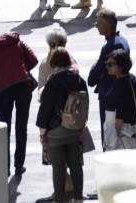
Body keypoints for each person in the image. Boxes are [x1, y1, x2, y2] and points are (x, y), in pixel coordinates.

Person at [36, 46, 88, 201]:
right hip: (74, 130)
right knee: (76, 165)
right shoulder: (79, 80)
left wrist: (42, 133)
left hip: (56, 131)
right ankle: (78, 198)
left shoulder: (52, 82)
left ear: (53, 63)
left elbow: (45, 110)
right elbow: (84, 105)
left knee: (58, 169)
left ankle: (59, 199)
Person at [0, 31, 38, 176]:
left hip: (3, 91)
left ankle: (5, 168)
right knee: (21, 127)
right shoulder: (17, 41)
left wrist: (1, 74)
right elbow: (34, 59)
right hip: (23, 86)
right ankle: (19, 166)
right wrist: (21, 69)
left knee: (4, 129)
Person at [86, 8, 130, 146]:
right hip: (115, 91)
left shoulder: (111, 45)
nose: (96, 25)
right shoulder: (121, 40)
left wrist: (93, 74)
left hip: (109, 94)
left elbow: (97, 70)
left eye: (98, 23)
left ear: (107, 24)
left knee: (109, 133)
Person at [101, 48, 136, 151]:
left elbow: (119, 118)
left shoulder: (120, 85)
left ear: (120, 66)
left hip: (123, 132)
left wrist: (112, 137)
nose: (107, 66)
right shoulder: (134, 79)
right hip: (134, 127)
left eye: (110, 64)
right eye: (106, 63)